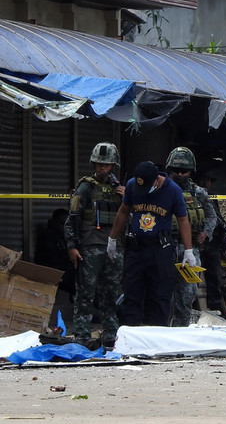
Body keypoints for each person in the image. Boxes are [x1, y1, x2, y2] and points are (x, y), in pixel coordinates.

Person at [109, 160, 195, 326]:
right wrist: (112, 239)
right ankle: (130, 334)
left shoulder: (173, 190)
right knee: (131, 293)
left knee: (159, 296)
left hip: (160, 249)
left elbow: (183, 219)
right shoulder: (133, 185)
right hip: (136, 248)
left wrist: (188, 250)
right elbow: (123, 211)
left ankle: (156, 335)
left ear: (156, 180)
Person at [63, 142, 125, 348]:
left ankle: (110, 335)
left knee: (110, 293)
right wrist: (72, 246)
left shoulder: (119, 188)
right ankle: (81, 336)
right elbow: (72, 218)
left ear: (113, 165)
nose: (101, 168)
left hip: (113, 247)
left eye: (106, 164)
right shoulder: (85, 187)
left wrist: (127, 199)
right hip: (90, 246)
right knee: (85, 293)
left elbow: (130, 217)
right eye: (98, 164)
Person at [165, 147, 216, 326]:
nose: (180, 174)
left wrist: (206, 232)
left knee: (187, 294)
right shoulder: (161, 189)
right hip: (166, 247)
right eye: (176, 170)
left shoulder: (198, 193)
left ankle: (182, 329)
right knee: (165, 294)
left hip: (191, 250)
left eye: (184, 171)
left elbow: (211, 216)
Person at [197, 171, 226, 315]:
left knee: (214, 278)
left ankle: (216, 309)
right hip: (197, 242)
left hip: (212, 244)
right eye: (203, 180)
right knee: (192, 279)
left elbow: (219, 223)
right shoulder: (193, 196)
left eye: (208, 181)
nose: (206, 183)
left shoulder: (212, 199)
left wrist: (224, 248)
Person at [35, 208, 75, 298]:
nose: (65, 227)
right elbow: (52, 260)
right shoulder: (47, 237)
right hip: (52, 276)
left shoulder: (64, 237)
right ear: (54, 223)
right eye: (62, 224)